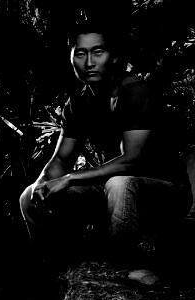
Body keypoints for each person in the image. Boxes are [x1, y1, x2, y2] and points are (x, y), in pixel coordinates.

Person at [19, 23, 191, 265]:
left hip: (165, 192)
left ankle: (117, 271)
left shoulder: (134, 91)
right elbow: (61, 159)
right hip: (110, 190)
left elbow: (132, 160)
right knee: (29, 197)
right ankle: (53, 271)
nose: (89, 62)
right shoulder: (78, 102)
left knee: (119, 184)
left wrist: (70, 178)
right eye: (81, 53)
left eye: (98, 52)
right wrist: (42, 184)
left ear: (113, 56)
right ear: (71, 58)